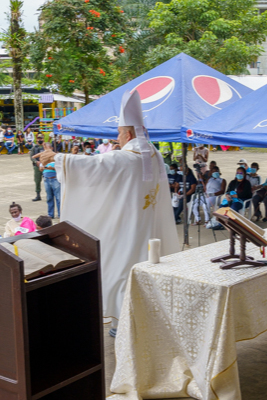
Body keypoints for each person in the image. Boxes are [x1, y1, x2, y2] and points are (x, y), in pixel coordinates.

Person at [38, 90, 177, 334]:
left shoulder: (129, 157)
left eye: (119, 133)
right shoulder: (152, 153)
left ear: (129, 133)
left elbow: (96, 165)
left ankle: (122, 324)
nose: (117, 138)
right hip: (146, 223)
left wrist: (57, 157)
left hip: (127, 228)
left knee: (120, 270)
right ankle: (136, 319)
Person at [30, 136, 45, 201]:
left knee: (48, 181)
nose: (40, 140)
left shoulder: (46, 147)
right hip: (37, 166)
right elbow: (31, 157)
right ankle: (38, 195)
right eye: (39, 139)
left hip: (45, 166)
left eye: (41, 138)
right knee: (37, 181)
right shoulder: (34, 148)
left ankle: (50, 194)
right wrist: (36, 162)